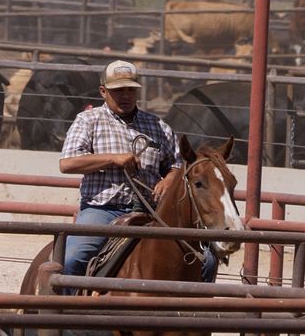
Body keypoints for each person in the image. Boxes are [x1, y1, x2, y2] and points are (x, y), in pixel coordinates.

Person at [58, 59, 218, 283]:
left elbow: (177, 164)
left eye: (130, 90)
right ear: (103, 91)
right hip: (103, 210)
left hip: (151, 213)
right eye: (118, 91)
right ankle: (66, 314)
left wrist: (170, 179)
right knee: (72, 259)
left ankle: (192, 315)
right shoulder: (88, 121)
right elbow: (68, 163)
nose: (125, 96)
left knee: (207, 261)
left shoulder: (157, 126)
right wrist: (113, 159)